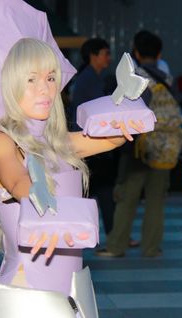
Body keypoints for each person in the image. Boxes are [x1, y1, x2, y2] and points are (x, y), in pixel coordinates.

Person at [0, 38, 140, 316]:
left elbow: (111, 139)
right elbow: (17, 181)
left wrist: (124, 111)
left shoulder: (57, 142)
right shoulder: (0, 142)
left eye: (51, 78)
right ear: (12, 85)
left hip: (72, 292)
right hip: (28, 293)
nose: (45, 89)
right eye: (31, 79)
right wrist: (41, 204)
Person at [97, 30, 174, 258]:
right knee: (156, 201)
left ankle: (116, 245)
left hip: (136, 148)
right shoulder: (167, 79)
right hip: (164, 148)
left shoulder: (132, 79)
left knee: (127, 198)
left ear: (137, 53)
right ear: (159, 53)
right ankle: (151, 248)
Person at [68, 38, 117, 236]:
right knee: (98, 190)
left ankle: (102, 233)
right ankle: (107, 234)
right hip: (89, 143)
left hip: (90, 142)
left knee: (95, 191)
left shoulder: (91, 77)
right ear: (93, 56)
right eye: (105, 53)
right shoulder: (89, 79)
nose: (109, 58)